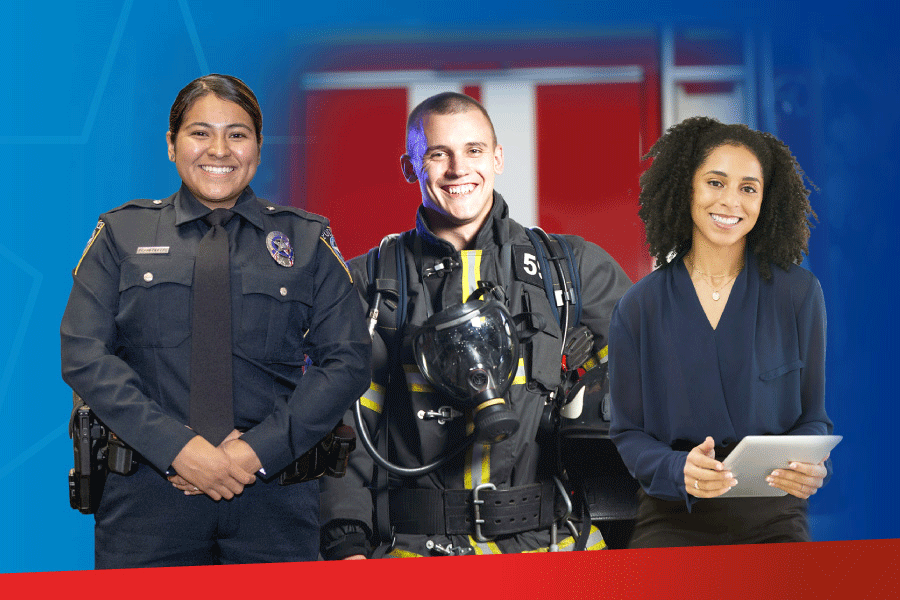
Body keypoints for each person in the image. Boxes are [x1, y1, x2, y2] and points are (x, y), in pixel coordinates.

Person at [60, 74, 371, 568]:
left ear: (258, 147)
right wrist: (179, 448)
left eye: (238, 134)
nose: (219, 150)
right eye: (200, 133)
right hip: (147, 502)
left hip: (274, 501)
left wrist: (253, 453)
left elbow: (349, 361)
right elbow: (83, 355)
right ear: (171, 145)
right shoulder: (121, 234)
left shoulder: (307, 240)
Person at [319, 92, 632, 559]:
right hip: (413, 554)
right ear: (410, 167)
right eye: (438, 153)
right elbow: (342, 426)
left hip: (554, 547)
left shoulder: (571, 269)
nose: (458, 169)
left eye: (474, 150)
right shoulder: (370, 284)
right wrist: (347, 543)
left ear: (498, 157)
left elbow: (658, 390)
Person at [608, 116, 834, 547]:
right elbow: (628, 432)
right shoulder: (638, 308)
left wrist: (811, 464)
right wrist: (678, 470)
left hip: (774, 518)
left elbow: (814, 418)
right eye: (715, 182)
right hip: (675, 517)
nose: (731, 201)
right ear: (686, 188)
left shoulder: (799, 294)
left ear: (765, 200)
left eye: (748, 188)